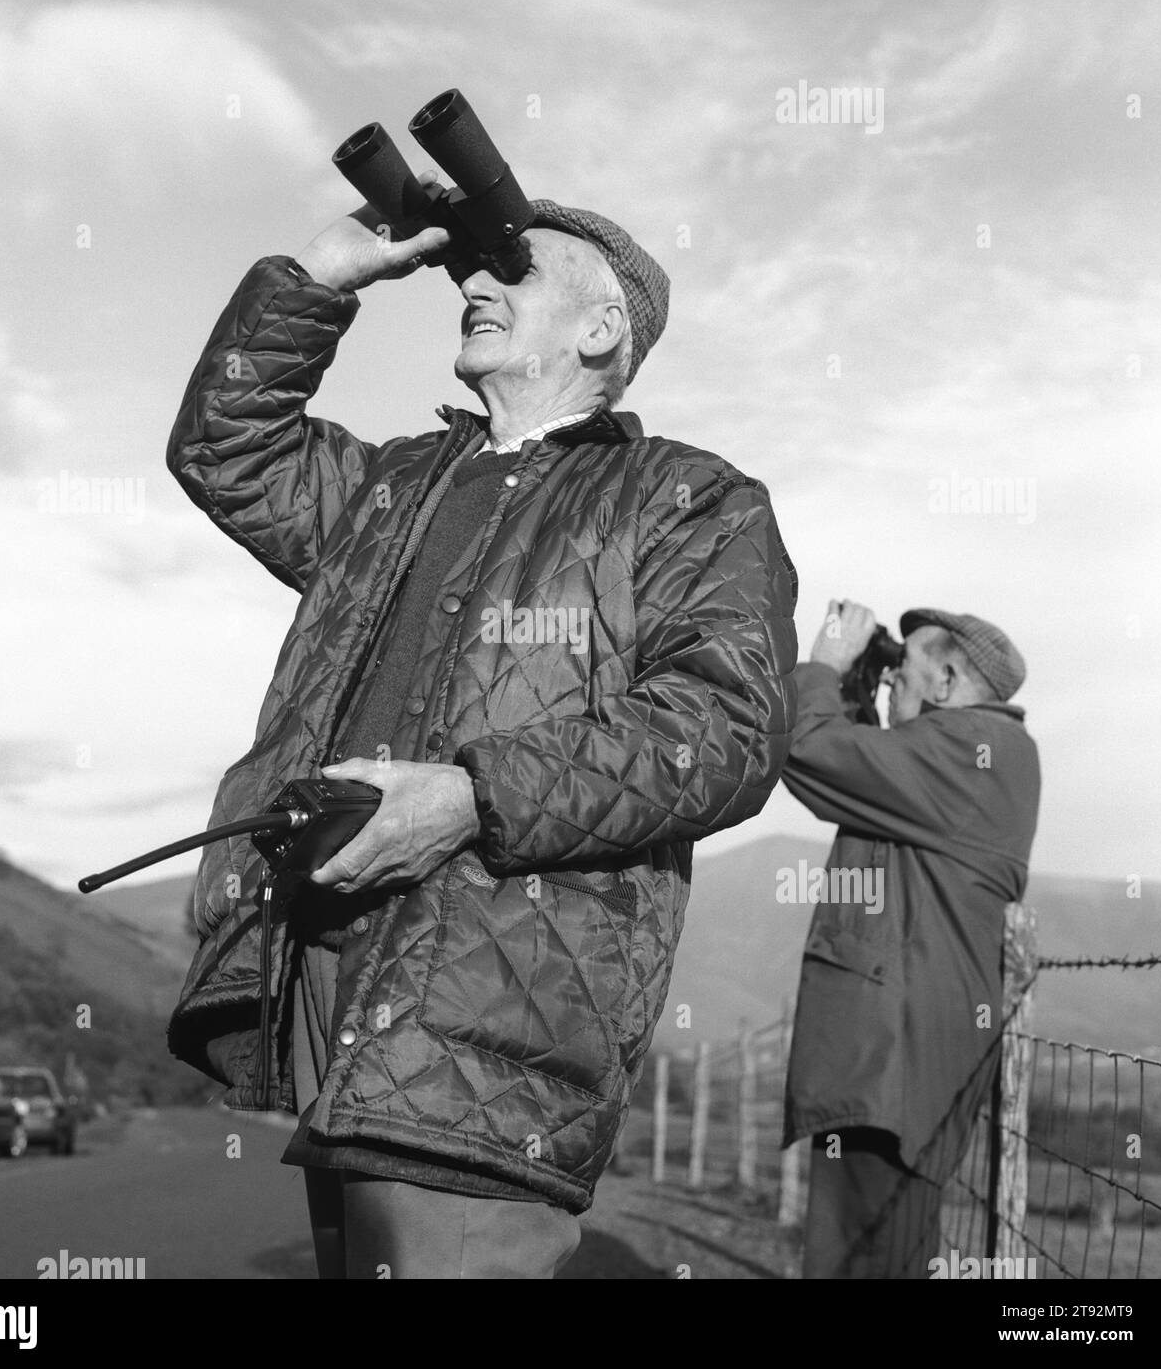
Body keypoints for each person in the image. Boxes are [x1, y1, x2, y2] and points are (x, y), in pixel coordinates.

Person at [164, 177, 798, 1278]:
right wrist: (321, 272)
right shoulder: (391, 485)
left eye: (517, 267)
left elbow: (722, 731)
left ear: (604, 327)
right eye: (474, 265)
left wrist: (466, 795)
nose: (475, 281)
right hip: (323, 962)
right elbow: (228, 446)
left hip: (493, 993)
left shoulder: (688, 499)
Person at [781, 599, 1041, 1278]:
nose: (894, 675)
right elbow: (862, 772)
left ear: (950, 684)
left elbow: (811, 751)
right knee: (871, 1262)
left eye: (907, 664)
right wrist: (857, 688)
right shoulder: (967, 756)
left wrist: (823, 662)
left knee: (862, 1266)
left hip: (892, 1063)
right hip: (891, 1062)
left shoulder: (976, 750)